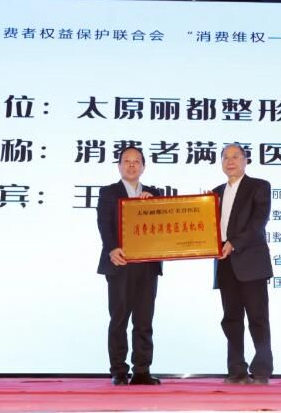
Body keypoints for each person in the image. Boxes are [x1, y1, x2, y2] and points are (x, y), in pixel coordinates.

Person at [96, 147, 162, 386]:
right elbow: (104, 223)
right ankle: (119, 371)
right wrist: (112, 248)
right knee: (119, 319)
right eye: (127, 161)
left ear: (143, 167)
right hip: (120, 262)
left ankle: (142, 370)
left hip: (147, 265)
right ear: (119, 166)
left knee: (144, 321)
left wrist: (154, 207)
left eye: (136, 161)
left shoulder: (154, 193)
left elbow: (165, 225)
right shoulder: (108, 192)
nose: (131, 165)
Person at [212, 143, 274, 385]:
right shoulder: (214, 193)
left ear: (245, 160)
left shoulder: (259, 186)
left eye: (235, 156)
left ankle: (262, 370)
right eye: (225, 157)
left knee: (258, 318)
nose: (230, 161)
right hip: (225, 263)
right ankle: (236, 370)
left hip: (251, 262)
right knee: (231, 319)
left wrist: (233, 243)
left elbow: (258, 222)